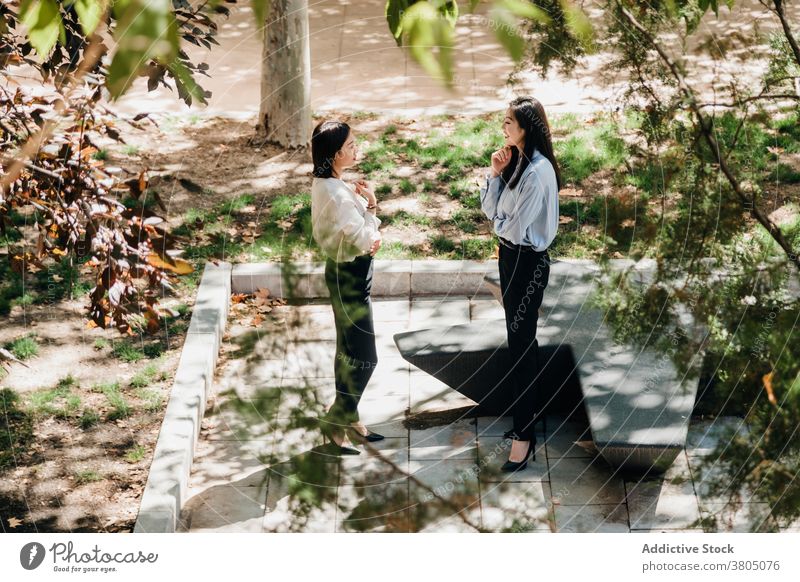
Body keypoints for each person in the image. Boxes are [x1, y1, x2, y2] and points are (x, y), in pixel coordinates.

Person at [479, 96, 561, 472]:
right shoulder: (515, 162)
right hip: (509, 257)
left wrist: (499, 218)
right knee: (519, 342)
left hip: (527, 262)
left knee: (522, 346)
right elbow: (490, 211)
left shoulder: (538, 172)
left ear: (527, 127)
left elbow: (510, 225)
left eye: (509, 122)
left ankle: (524, 435)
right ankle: (527, 421)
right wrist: (495, 175)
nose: (503, 127)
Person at [310, 120, 385, 454]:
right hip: (351, 276)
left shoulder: (327, 183)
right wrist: (372, 212)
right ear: (336, 153)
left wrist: (363, 205)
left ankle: (347, 419)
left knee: (348, 351)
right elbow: (366, 240)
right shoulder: (338, 194)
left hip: (342, 273)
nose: (357, 148)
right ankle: (336, 417)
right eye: (352, 145)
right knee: (366, 356)